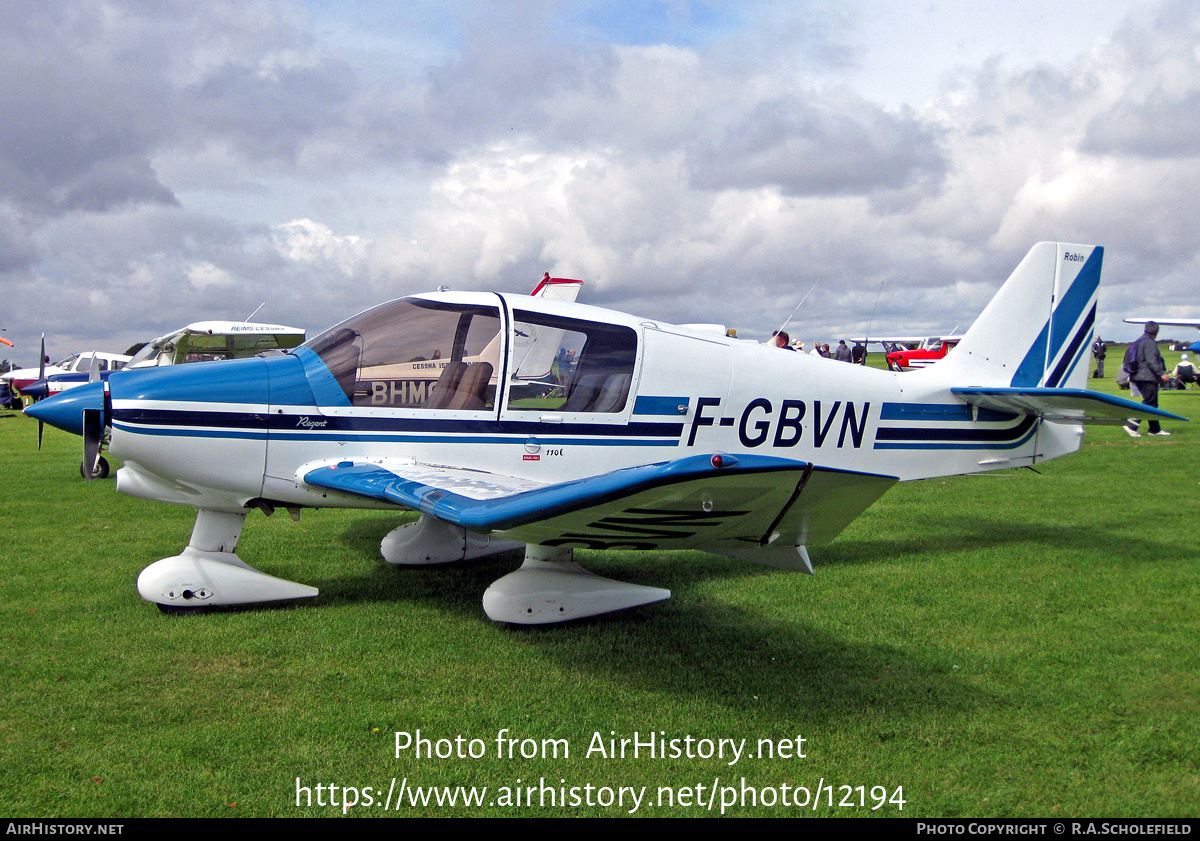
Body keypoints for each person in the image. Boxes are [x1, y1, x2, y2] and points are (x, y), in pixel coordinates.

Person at [1124, 322, 1170, 437]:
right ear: (1156, 331)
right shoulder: (1149, 342)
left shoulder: (1139, 341)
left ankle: (1154, 429)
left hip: (1138, 375)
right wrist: (1162, 374)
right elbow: (1151, 361)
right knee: (1149, 403)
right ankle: (1131, 425)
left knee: (1152, 403)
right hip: (1147, 377)